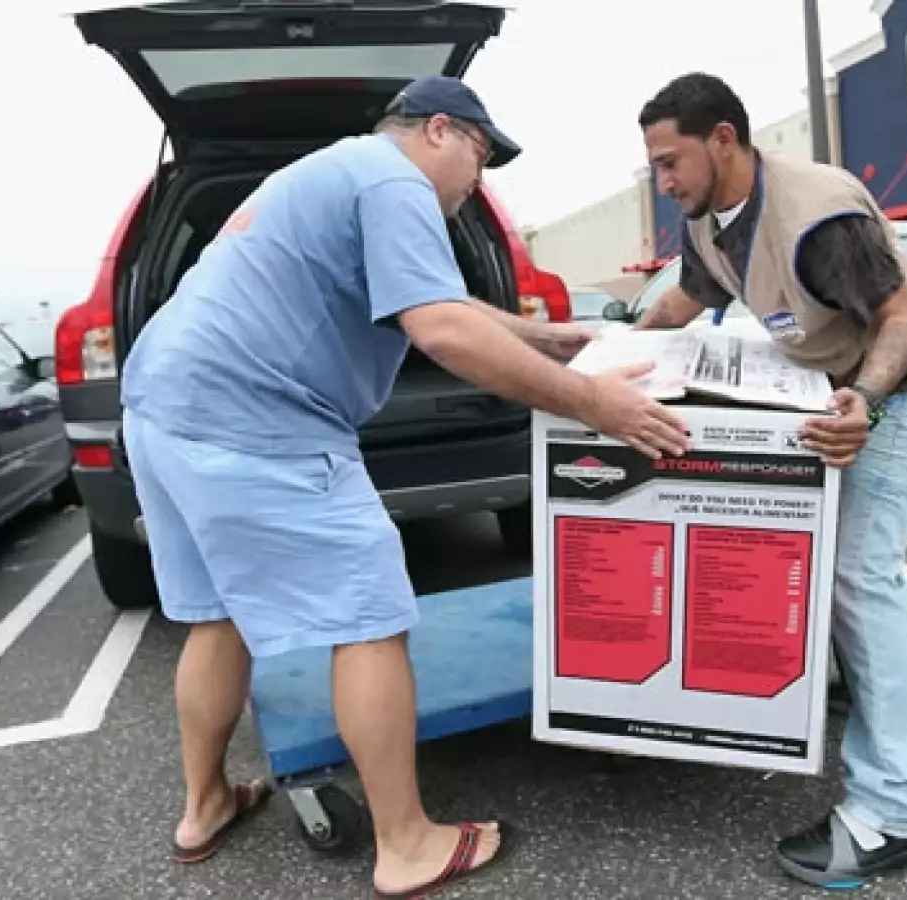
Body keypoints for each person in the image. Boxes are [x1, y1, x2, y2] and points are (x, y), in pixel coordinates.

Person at [119, 76, 690, 899]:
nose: (478, 181)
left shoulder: (339, 171)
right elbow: (444, 330)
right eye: (479, 157)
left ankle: (204, 805)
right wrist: (598, 403)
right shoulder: (394, 181)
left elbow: (445, 303)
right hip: (254, 422)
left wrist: (558, 339)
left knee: (220, 613)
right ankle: (407, 844)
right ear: (438, 132)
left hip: (162, 408)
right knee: (373, 617)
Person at [634, 73, 907, 889]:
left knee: (858, 574)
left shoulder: (819, 215)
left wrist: (869, 398)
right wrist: (605, 362)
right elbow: (685, 300)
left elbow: (900, 316)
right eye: (653, 166)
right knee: (832, 562)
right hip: (840, 389)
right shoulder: (714, 222)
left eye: (671, 159)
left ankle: (897, 812)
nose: (664, 180)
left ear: (723, 139)